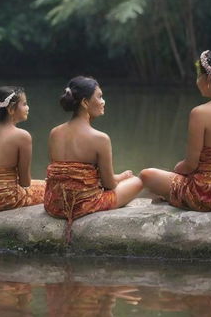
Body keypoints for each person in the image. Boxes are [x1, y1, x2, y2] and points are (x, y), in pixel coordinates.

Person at [140, 50, 211, 211]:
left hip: (206, 195)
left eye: (198, 75)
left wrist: (177, 169)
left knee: (147, 175)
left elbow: (190, 165)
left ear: (208, 78)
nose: (197, 80)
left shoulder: (200, 113)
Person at [44, 76, 143, 237]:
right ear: (84, 102)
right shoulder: (100, 138)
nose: (103, 101)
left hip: (54, 206)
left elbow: (65, 176)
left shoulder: (54, 133)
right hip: (83, 205)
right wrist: (119, 179)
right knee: (141, 179)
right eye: (99, 96)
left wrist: (119, 176)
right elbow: (109, 185)